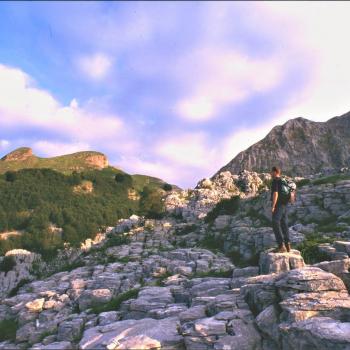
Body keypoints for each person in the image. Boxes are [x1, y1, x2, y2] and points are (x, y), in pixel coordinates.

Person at [270, 166, 291, 253]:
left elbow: (275, 193)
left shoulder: (276, 180)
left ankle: (281, 246)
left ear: (275, 172)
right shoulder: (284, 180)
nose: (270, 174)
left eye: (271, 172)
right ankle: (287, 245)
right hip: (285, 205)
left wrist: (273, 206)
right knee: (284, 224)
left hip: (279, 205)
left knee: (275, 222)